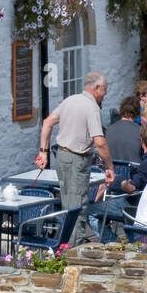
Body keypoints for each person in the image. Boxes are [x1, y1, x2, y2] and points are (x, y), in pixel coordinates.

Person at [38, 71, 115, 245]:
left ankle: (68, 246)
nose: (105, 94)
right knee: (78, 208)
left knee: (68, 205)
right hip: (77, 160)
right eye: (105, 90)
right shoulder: (92, 107)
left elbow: (47, 122)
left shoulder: (70, 100)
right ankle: (73, 252)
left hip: (62, 157)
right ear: (96, 88)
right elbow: (100, 142)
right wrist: (109, 167)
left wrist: (43, 151)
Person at [118, 123, 147, 195]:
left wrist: (123, 184)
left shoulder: (146, 163)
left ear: (142, 140)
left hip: (141, 199)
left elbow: (132, 187)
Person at [103, 96, 143, 163]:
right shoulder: (140, 131)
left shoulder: (109, 129)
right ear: (137, 112)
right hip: (134, 170)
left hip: (113, 169)